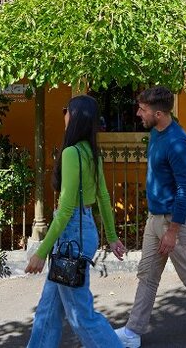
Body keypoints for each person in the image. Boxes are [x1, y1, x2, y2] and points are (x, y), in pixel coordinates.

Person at [114, 86, 186, 348]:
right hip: (155, 218)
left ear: (158, 113)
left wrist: (173, 231)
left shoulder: (177, 142)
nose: (137, 113)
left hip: (173, 221)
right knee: (147, 275)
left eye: (142, 110)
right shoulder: (157, 134)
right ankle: (133, 332)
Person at [25, 94, 127, 348]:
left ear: (76, 116)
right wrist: (112, 237)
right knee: (48, 309)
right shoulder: (92, 153)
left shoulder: (71, 153)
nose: (64, 114)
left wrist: (41, 251)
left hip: (71, 236)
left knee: (80, 314)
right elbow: (103, 196)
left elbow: (67, 207)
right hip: (85, 231)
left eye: (66, 110)